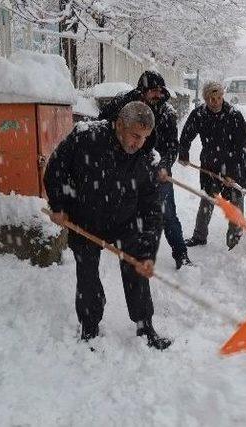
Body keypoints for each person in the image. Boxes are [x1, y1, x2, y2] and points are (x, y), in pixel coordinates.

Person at [44, 101, 171, 351]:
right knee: (87, 274)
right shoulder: (85, 137)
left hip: (125, 222)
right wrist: (58, 205)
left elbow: (152, 210)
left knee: (136, 270)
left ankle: (145, 325)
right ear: (120, 124)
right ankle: (90, 326)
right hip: (85, 219)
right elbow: (55, 169)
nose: (138, 143)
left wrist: (147, 254)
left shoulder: (145, 159)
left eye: (144, 137)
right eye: (135, 135)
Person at [99, 71, 192, 270]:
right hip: (128, 168)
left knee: (167, 214)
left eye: (160, 91)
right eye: (153, 91)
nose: (158, 95)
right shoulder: (124, 104)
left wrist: (164, 166)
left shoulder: (166, 113)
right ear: (142, 91)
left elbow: (171, 146)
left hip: (158, 170)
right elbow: (102, 123)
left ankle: (181, 254)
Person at [178, 81, 246, 250]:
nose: (216, 102)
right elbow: (186, 135)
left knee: (234, 202)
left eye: (219, 98)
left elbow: (241, 147)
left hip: (233, 164)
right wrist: (183, 153)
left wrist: (232, 174)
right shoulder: (199, 114)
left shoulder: (234, 115)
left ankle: (235, 239)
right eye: (211, 98)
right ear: (206, 99)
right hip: (210, 165)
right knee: (208, 199)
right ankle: (199, 236)